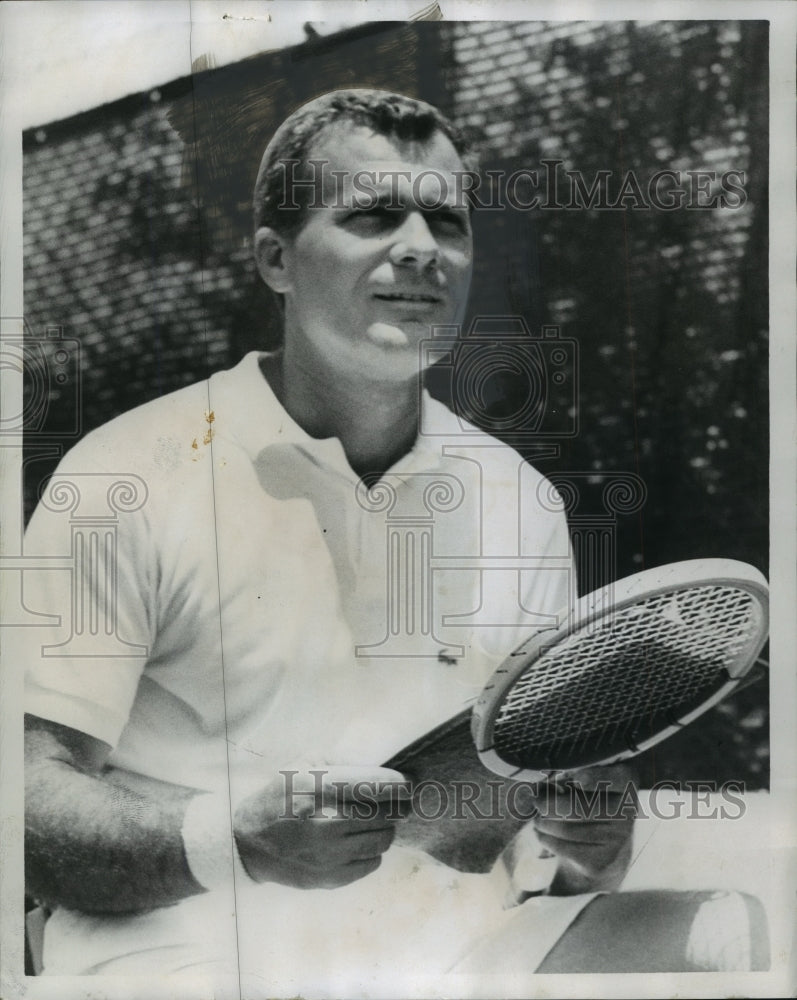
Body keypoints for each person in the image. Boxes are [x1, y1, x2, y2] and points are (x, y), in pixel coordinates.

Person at [22, 90, 767, 991]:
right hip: (191, 952)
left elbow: (518, 825)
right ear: (275, 259)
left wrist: (589, 847)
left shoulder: (518, 499)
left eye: (446, 222)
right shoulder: (124, 474)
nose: (419, 245)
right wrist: (234, 842)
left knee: (725, 941)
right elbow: (26, 796)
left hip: (458, 952)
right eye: (374, 213)